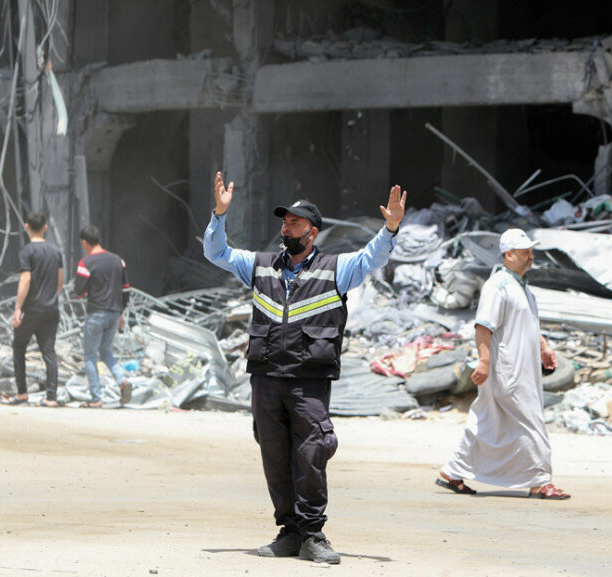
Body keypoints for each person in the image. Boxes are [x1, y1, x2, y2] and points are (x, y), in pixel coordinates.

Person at [203, 171, 405, 565]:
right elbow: (217, 253)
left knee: (311, 453)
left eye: (294, 222)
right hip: (265, 379)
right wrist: (219, 214)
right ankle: (289, 532)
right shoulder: (260, 266)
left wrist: (391, 228)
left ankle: (313, 533)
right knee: (274, 455)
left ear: (312, 232)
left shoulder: (336, 269)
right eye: (284, 221)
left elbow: (371, 258)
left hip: (308, 382)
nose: (286, 227)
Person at [437, 228, 571, 500]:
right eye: (525, 252)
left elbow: (530, 324)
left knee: (489, 422)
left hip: (523, 367)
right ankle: (540, 481)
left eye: (531, 252)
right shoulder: (497, 286)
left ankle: (454, 471)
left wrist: (544, 348)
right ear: (509, 254)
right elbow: (483, 327)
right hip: (507, 370)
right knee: (531, 421)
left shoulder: (522, 288)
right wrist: (484, 362)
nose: (530, 257)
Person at [3, 212, 63, 407]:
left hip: (31, 309)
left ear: (26, 226)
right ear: (45, 228)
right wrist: (52, 297)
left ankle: (22, 393)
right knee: (49, 352)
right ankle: (51, 397)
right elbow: (59, 282)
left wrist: (18, 308)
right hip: (51, 309)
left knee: (19, 347)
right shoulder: (56, 251)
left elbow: (26, 279)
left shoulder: (27, 252)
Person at [73, 224, 132, 408]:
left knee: (90, 355)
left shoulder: (86, 263)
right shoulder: (118, 260)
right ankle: (122, 380)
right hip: (115, 313)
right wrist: (121, 311)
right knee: (106, 352)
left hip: (96, 313)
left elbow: (79, 292)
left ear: (84, 242)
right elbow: (126, 290)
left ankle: (96, 398)